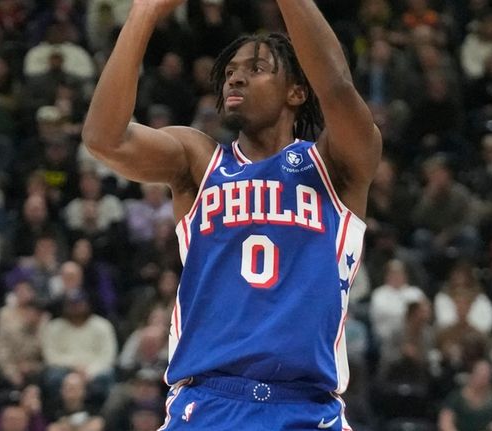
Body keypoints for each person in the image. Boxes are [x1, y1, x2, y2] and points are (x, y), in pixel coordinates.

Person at [82, 0, 382, 429]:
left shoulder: (336, 166)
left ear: (297, 91)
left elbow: (336, 88)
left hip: (308, 406)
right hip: (208, 403)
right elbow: (103, 139)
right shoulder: (198, 161)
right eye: (229, 72)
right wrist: (144, 14)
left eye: (257, 68)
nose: (236, 76)